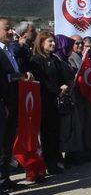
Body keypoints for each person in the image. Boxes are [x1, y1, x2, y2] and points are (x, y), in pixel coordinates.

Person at [0, 17, 34, 190]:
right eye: (7, 28)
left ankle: (5, 180)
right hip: (3, 103)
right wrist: (16, 76)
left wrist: (20, 75)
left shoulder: (8, 50)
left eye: (11, 28)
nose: (11, 31)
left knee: (7, 144)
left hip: (13, 102)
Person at [29, 31, 69, 174]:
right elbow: (42, 81)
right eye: (50, 41)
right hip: (44, 102)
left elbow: (64, 75)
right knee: (47, 134)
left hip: (57, 101)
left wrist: (65, 85)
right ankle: (49, 163)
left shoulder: (55, 59)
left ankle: (57, 160)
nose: (53, 44)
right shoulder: (35, 60)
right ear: (41, 43)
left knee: (56, 132)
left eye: (54, 41)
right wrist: (58, 90)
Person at [54, 35, 83, 166]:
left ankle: (72, 155)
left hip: (70, 98)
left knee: (72, 127)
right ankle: (59, 158)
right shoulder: (56, 60)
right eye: (69, 45)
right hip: (62, 98)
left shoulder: (64, 59)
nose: (72, 48)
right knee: (63, 128)